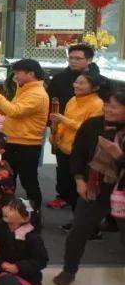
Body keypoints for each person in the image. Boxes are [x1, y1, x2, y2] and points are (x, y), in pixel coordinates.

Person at [54, 88, 125, 285]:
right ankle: (69, 270)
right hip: (95, 187)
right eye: (107, 104)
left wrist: (118, 155)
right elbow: (77, 154)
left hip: (122, 191)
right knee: (78, 232)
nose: (108, 109)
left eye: (115, 106)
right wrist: (79, 180)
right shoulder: (93, 124)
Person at [0, 59, 50, 213]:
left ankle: (34, 213)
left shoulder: (37, 94)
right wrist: (1, 108)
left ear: (31, 74)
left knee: (28, 181)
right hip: (14, 141)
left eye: (18, 73)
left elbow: (15, 111)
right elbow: (15, 110)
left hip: (27, 144)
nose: (15, 76)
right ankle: (8, 210)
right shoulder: (25, 89)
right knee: (9, 178)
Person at [49, 71, 103, 215]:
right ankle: (74, 218)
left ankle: (83, 222)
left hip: (80, 151)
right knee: (66, 184)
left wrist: (63, 119)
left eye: (81, 83)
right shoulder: (73, 100)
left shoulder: (97, 104)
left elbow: (90, 129)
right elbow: (63, 122)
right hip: (64, 147)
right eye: (76, 82)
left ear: (94, 87)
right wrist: (56, 135)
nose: (76, 85)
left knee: (78, 188)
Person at [0, 198, 47, 285]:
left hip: (26, 276)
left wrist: (18, 267)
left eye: (12, 209)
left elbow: (41, 260)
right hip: (3, 270)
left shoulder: (34, 238)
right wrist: (1, 262)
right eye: (7, 206)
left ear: (25, 218)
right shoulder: (0, 228)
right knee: (7, 281)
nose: (6, 210)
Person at [47, 43, 101, 115]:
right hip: (60, 119)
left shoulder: (99, 81)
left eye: (78, 58)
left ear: (89, 60)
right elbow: (49, 102)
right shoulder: (58, 78)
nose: (73, 61)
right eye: (70, 58)